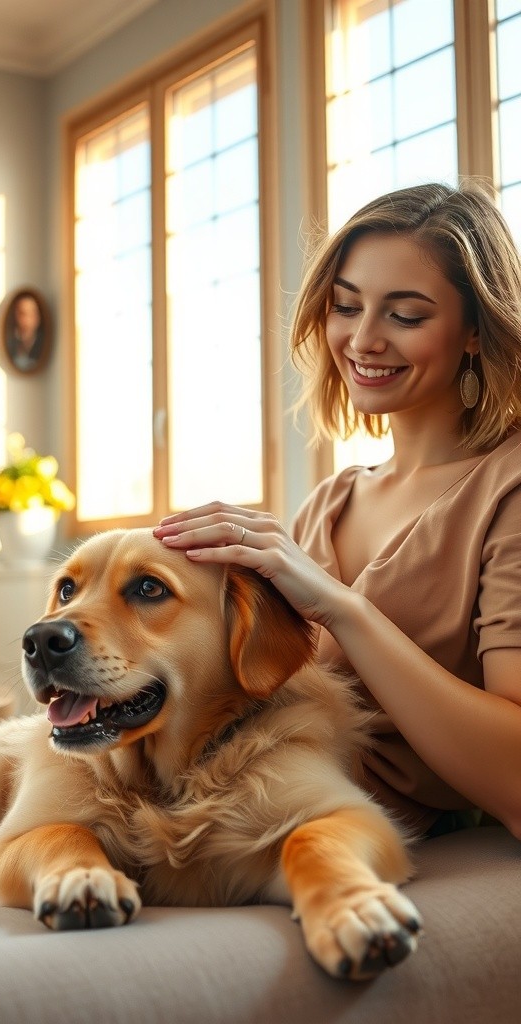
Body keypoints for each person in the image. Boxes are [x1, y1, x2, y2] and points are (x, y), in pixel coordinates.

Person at [153, 179, 521, 840]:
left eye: (405, 315)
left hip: (316, 827)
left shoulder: (507, 491)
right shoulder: (329, 504)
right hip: (223, 797)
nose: (362, 340)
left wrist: (342, 609)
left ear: (475, 330)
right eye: (346, 306)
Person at [6, 292, 44, 372]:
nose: (27, 320)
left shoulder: (42, 343)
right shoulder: (10, 343)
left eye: (32, 314)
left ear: (38, 317)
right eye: (23, 314)